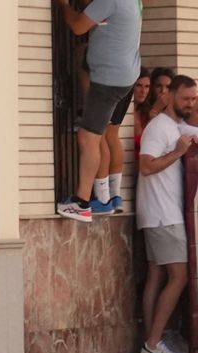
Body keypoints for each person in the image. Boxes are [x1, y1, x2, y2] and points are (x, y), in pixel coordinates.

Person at [55, 0, 141, 222]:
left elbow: (78, 26)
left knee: (89, 137)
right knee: (100, 135)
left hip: (108, 79)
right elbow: (98, 11)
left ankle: (82, 202)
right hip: (122, 77)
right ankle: (100, 198)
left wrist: (63, 5)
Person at [134, 75, 198, 353]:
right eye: (186, 98)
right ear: (169, 96)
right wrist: (178, 152)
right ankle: (152, 343)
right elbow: (146, 166)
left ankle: (153, 339)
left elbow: (191, 131)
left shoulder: (174, 126)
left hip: (159, 214)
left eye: (194, 99)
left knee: (157, 275)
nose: (190, 104)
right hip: (163, 215)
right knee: (179, 276)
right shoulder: (159, 127)